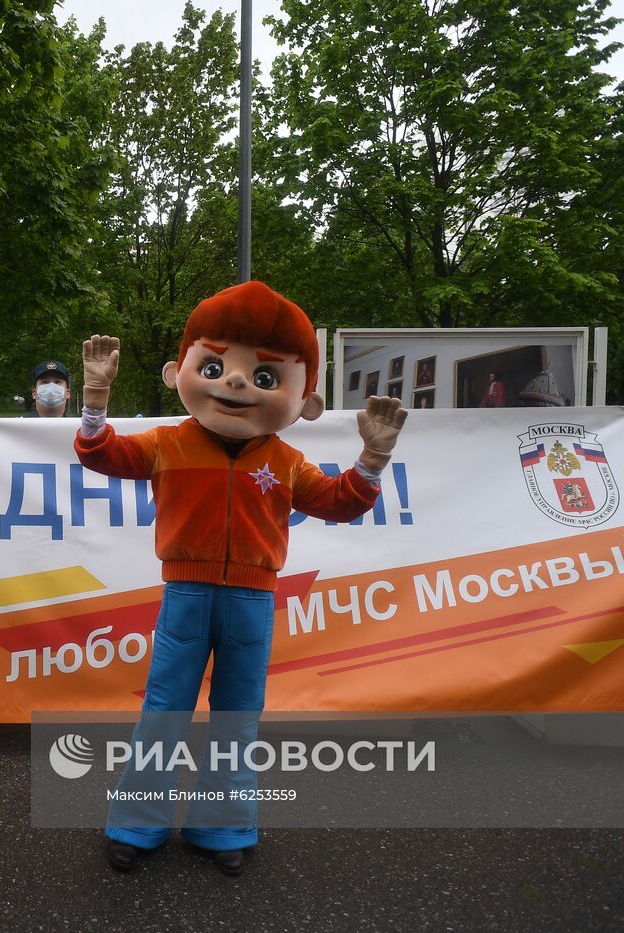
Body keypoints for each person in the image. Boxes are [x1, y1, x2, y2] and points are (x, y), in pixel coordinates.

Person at [75, 281, 406, 876]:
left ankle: (222, 825)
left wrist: (371, 460)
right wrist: (96, 397)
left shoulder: (285, 460)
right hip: (187, 595)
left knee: (237, 713)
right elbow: (102, 454)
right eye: (214, 364)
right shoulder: (168, 443)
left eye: (265, 377)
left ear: (306, 400)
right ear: (181, 370)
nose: (233, 382)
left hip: (253, 600)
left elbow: (338, 500)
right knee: (164, 709)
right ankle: (137, 822)